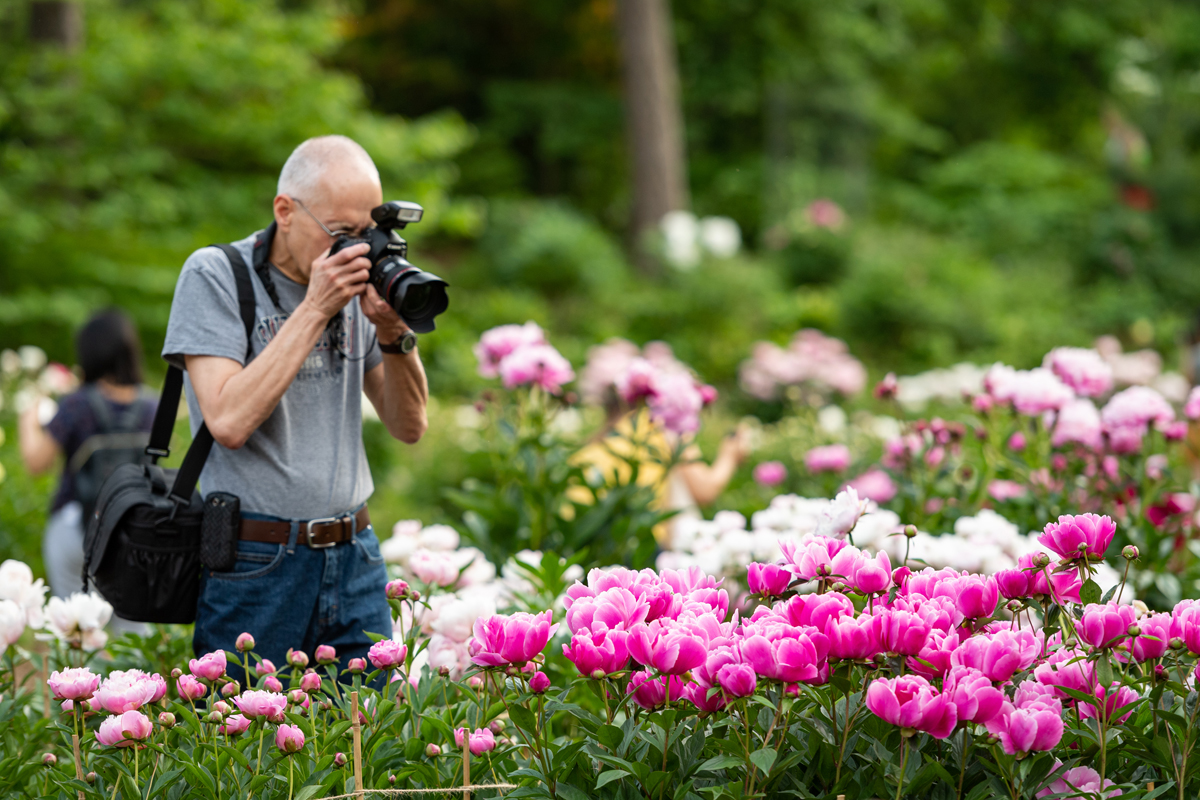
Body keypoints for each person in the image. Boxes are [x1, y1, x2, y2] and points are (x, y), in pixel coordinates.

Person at [161, 135, 428, 673]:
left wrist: (395, 333)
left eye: (368, 233)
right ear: (285, 210)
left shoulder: (355, 287)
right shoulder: (215, 275)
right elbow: (228, 420)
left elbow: (409, 425)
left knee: (367, 748)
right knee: (251, 749)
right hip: (257, 563)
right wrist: (314, 308)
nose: (356, 250)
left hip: (357, 557)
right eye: (342, 233)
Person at [18, 310, 157, 622]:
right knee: (132, 635)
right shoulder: (152, 405)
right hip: (133, 531)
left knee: (75, 633)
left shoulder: (76, 403)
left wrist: (28, 420)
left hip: (74, 526)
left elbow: (36, 463)